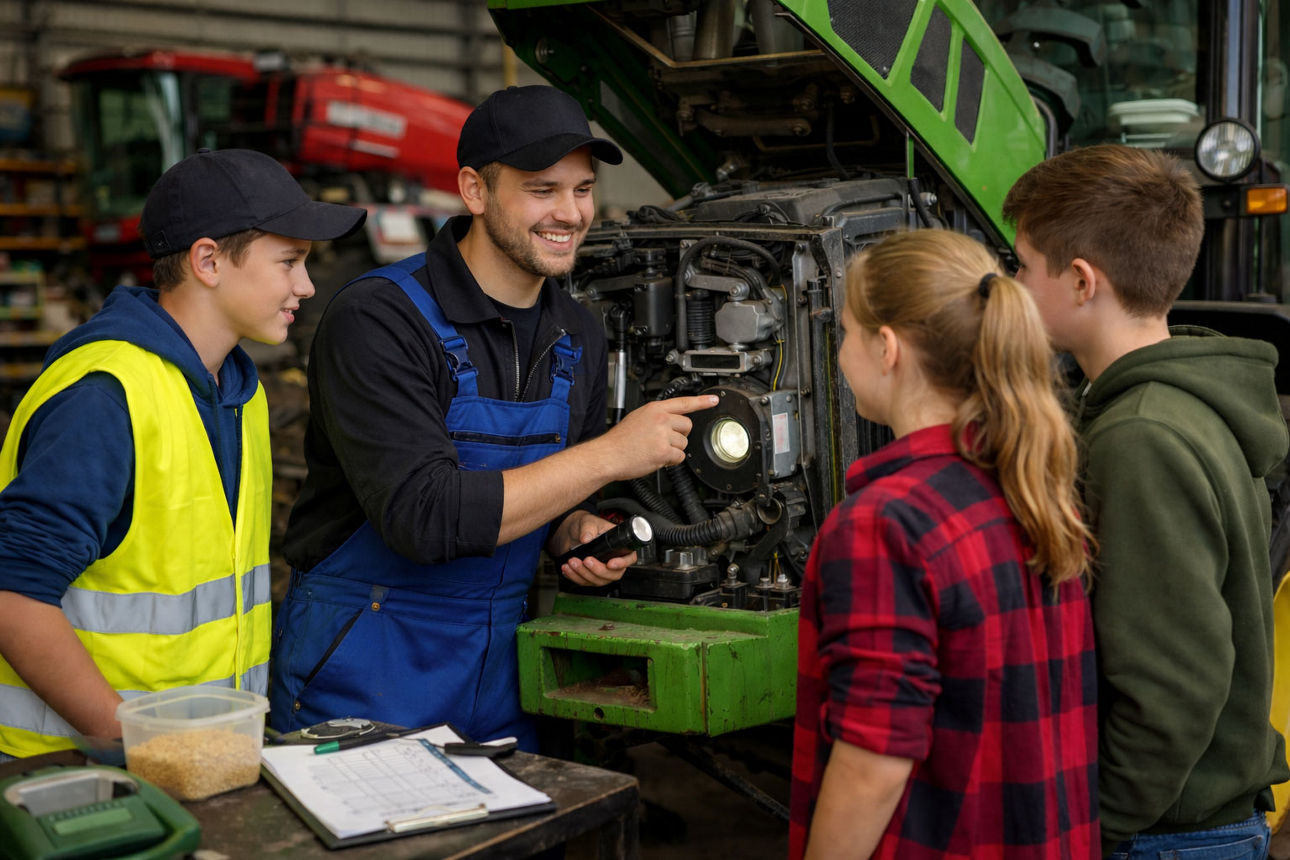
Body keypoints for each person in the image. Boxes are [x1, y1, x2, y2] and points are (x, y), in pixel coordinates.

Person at [268, 85, 716, 751]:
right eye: (543, 190)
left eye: (583, 189)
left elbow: (555, 495)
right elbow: (425, 518)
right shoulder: (380, 319)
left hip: (501, 682)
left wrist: (575, 533)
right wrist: (615, 454)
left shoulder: (578, 335)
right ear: (475, 191)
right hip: (364, 673)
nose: (571, 212)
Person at [0, 148, 366, 758]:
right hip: (80, 780)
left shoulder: (237, 391)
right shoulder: (105, 396)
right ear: (208, 261)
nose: (305, 285)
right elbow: (13, 596)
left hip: (197, 763)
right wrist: (130, 736)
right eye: (289, 262)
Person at [1003, 143, 1289, 859]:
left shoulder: (1141, 439)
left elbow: (1172, 685)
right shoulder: (1186, 402)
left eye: (1021, 267)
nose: (1010, 286)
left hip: (1167, 837)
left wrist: (1090, 827)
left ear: (1078, 281)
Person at [790, 229, 1098, 859]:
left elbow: (873, 763)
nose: (843, 354)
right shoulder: (1032, 486)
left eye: (847, 333)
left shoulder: (884, 523)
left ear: (886, 348)